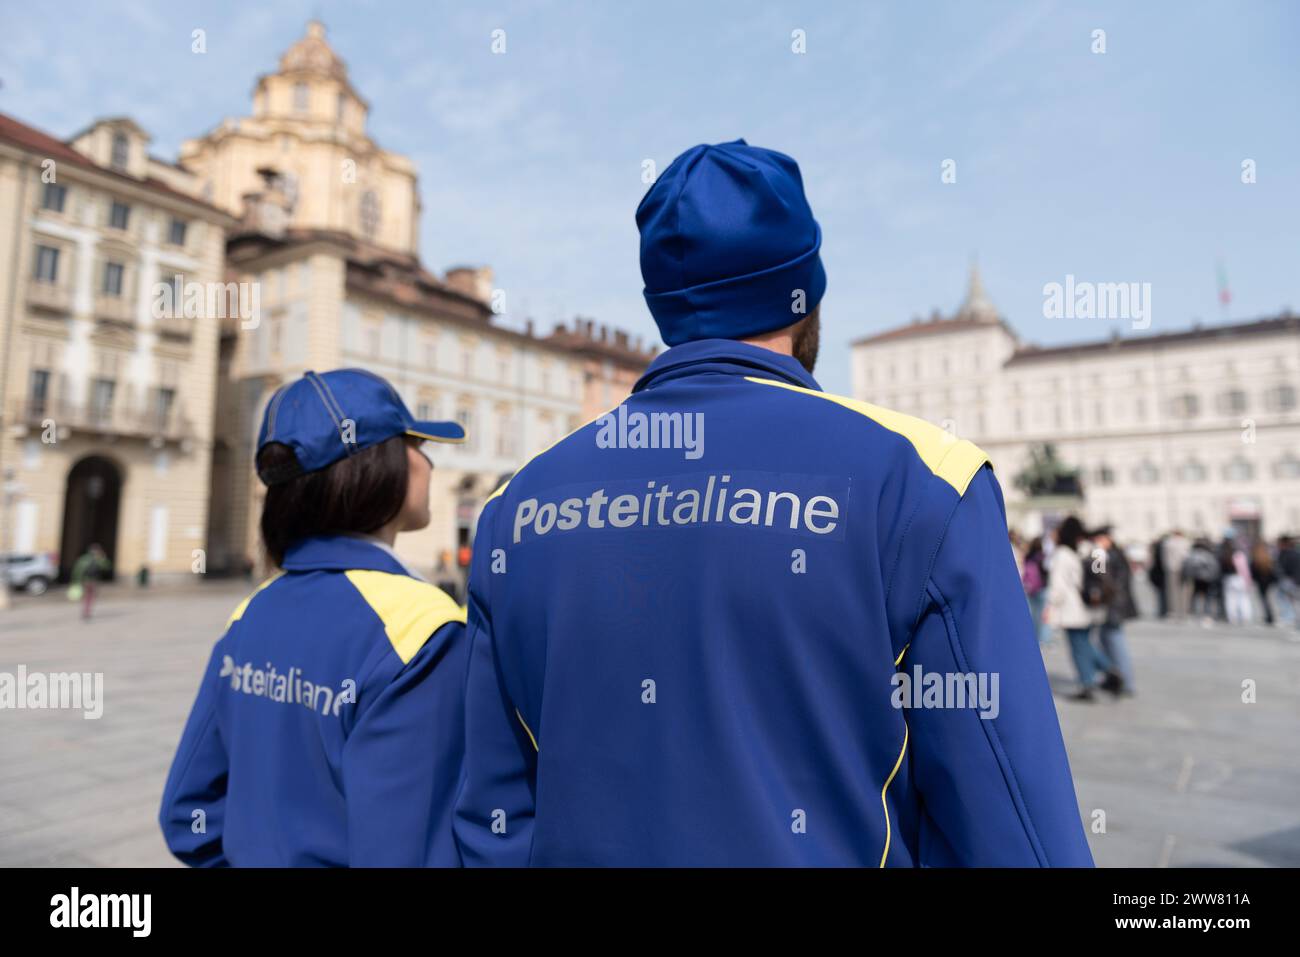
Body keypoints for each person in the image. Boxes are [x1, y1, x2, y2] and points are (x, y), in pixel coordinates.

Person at [454, 139, 1093, 867]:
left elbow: (493, 821)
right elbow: (1014, 813)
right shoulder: (921, 480)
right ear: (806, 293)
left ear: (662, 303)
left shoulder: (519, 505)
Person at [159, 369, 469, 866]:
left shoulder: (251, 612)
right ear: (377, 464)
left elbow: (187, 813)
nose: (427, 460)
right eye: (414, 440)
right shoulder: (421, 625)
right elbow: (411, 851)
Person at [1047, 516, 1120, 701]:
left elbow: (1058, 587)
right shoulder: (1083, 549)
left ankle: (1087, 683)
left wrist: (1050, 606)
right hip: (1086, 606)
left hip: (1071, 609)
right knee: (1086, 644)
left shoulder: (1062, 554)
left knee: (1079, 648)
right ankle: (1108, 670)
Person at [1088, 527, 1137, 695]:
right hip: (1117, 604)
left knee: (1115, 641)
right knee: (1109, 640)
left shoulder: (1100, 554)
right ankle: (1117, 678)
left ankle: (1125, 681)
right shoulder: (1117, 553)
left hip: (1111, 606)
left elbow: (1098, 577)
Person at [1022, 536, 1052, 644]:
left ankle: (1035, 636)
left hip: (1031, 588)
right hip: (1042, 588)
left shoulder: (1028, 556)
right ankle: (1044, 638)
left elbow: (1025, 572)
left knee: (1034, 613)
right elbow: (1047, 572)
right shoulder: (1043, 557)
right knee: (1043, 614)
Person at [69, 544, 110, 621]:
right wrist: (102, 558)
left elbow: (77, 570)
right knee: (90, 597)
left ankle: (85, 611)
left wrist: (75, 581)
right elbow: (106, 566)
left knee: (87, 596)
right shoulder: (98, 559)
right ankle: (87, 611)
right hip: (92, 581)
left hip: (85, 581)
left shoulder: (83, 559)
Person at [1249, 540, 1276, 625]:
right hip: (1268, 582)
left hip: (1260, 582)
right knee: (1268, 599)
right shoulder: (1268, 557)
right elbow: (1272, 571)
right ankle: (1270, 615)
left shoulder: (1256, 559)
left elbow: (1253, 572)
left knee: (1263, 599)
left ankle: (1268, 616)